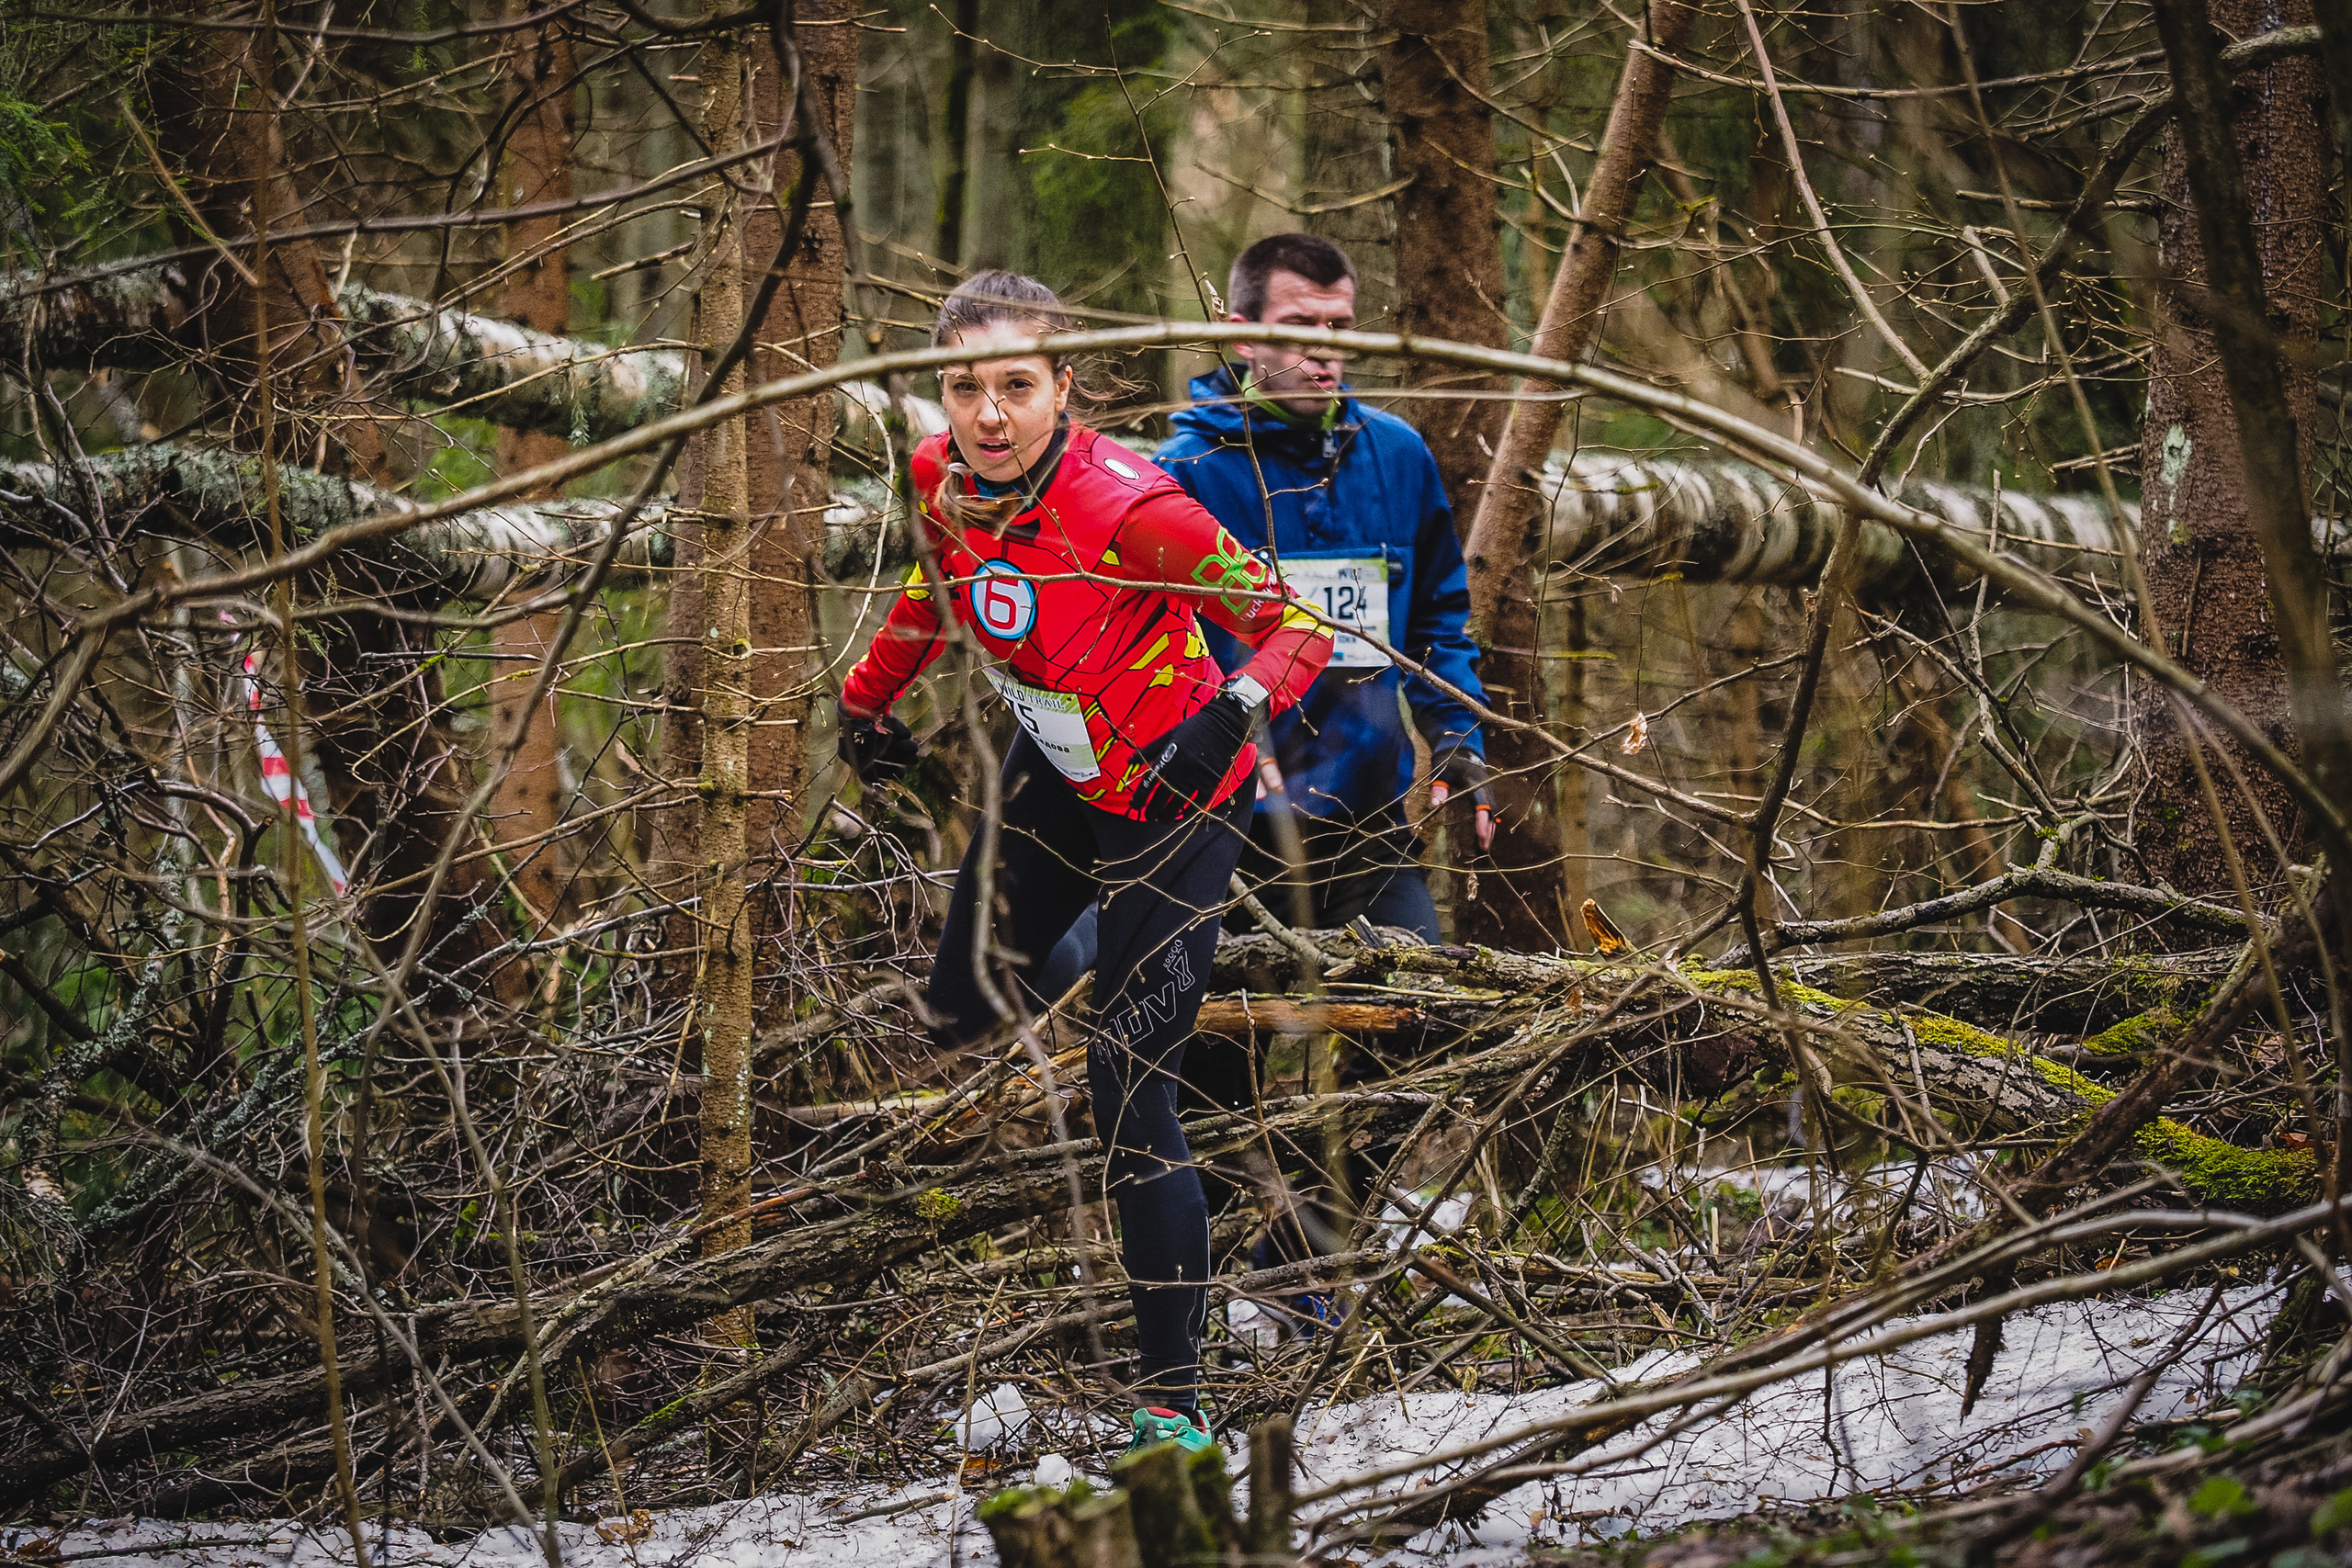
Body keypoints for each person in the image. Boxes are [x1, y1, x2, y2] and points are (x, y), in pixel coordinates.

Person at [834, 271, 1334, 1452]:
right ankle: (1115, 958)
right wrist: (865, 700)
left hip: (1174, 799)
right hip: (1058, 773)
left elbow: (1296, 623)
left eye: (1016, 385)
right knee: (962, 999)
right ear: (942, 392)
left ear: (1063, 386)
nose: (989, 414)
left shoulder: (1130, 509)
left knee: (1126, 1090)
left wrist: (1230, 713)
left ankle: (1173, 1407)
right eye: (965, 387)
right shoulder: (937, 478)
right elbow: (934, 581)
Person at [1040, 231, 1492, 988]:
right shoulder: (1175, 478)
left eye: (1339, 330)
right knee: (1215, 1075)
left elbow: (1438, 620)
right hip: (1220, 832)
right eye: (1298, 328)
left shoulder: (1399, 456)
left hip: (1365, 830)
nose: (1323, 352)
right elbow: (1120, 654)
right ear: (1244, 336)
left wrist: (1457, 735)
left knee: (1424, 1021)